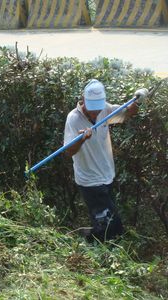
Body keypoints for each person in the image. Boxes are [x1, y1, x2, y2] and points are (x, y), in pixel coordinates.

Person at [64, 79, 148, 242]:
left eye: (98, 109)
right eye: (92, 109)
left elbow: (126, 113)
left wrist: (137, 101)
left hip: (107, 176)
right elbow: (69, 151)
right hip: (90, 182)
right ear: (83, 100)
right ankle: (91, 247)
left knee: (105, 223)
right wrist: (81, 139)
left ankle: (87, 242)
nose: (96, 113)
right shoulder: (73, 119)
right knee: (112, 227)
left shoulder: (104, 109)